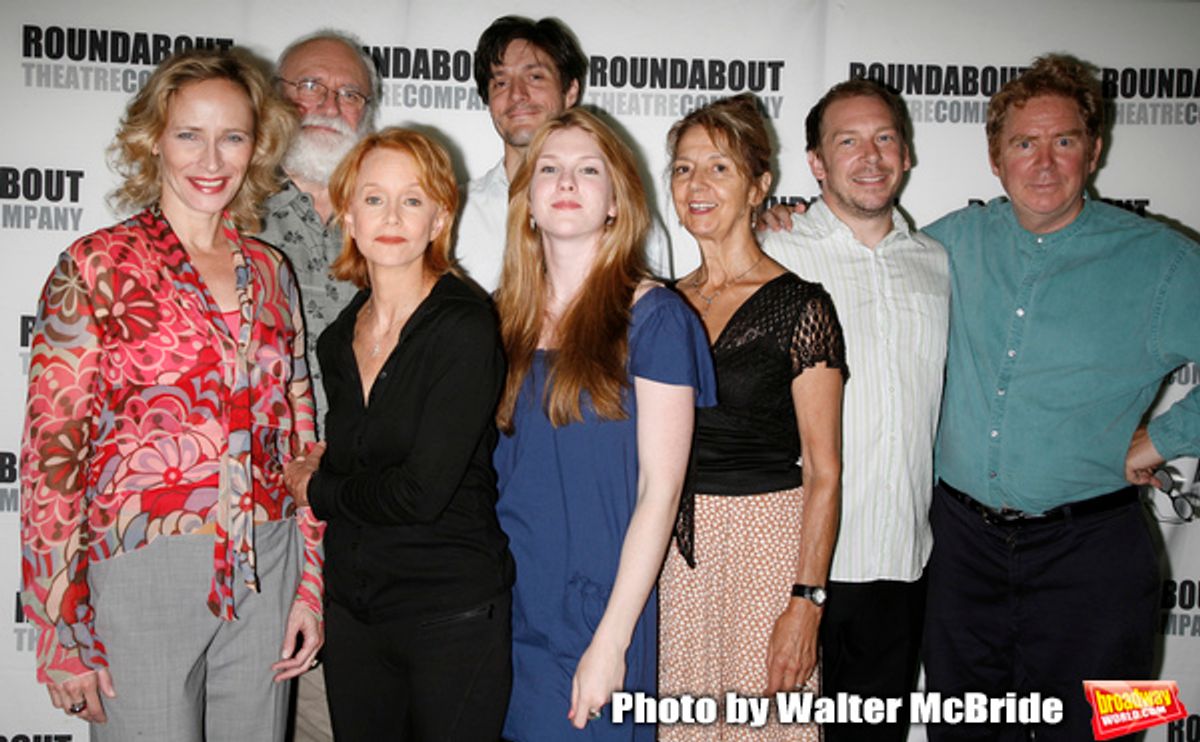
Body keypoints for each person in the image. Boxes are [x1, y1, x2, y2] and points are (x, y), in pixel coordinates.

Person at [19, 48, 322, 741]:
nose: (211, 158)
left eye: (233, 136)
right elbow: (52, 457)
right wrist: (59, 625)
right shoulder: (95, 267)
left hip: (266, 563)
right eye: (190, 133)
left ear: (258, 144)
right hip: (140, 572)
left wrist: (309, 584)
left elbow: (301, 440)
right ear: (154, 136)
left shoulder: (272, 273)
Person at [922, 54, 1200, 741]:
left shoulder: (1163, 261)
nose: (1044, 163)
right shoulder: (949, 242)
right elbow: (858, 271)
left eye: (1065, 141)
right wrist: (789, 223)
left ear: (1094, 150)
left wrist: (1161, 440)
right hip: (960, 556)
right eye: (1024, 143)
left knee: (1108, 735)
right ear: (995, 157)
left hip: (1096, 561)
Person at [282, 127, 514, 741]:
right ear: (349, 215)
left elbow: (419, 493)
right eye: (374, 198)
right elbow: (358, 461)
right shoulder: (336, 338)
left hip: (449, 614)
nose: (391, 216)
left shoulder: (463, 326)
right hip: (355, 614)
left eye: (412, 200)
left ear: (439, 217)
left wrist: (318, 489)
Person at [493, 108, 715, 741]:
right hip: (505, 608)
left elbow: (659, 492)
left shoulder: (656, 318)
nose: (567, 182)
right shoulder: (498, 319)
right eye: (551, 169)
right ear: (528, 201)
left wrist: (611, 640)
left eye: (588, 170)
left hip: (596, 610)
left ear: (616, 200)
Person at [762, 80, 948, 742]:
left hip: (901, 568)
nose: (871, 156)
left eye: (886, 137)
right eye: (848, 141)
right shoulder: (770, 254)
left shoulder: (939, 261)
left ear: (906, 152)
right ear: (815, 163)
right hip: (792, 570)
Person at [659, 93, 847, 742]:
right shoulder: (656, 305)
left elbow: (824, 470)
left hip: (766, 549)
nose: (697, 185)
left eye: (719, 167)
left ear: (759, 185)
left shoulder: (801, 306)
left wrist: (807, 603)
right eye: (683, 169)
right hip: (670, 553)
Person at [256, 31, 378, 739]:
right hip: (262, 521)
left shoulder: (394, 211)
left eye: (348, 92)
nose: (329, 104)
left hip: (367, 518)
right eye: (308, 87)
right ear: (274, 99)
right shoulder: (226, 205)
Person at [458, 15, 672, 290]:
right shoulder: (458, 215)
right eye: (500, 83)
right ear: (488, 100)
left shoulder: (626, 217)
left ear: (570, 91)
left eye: (535, 77)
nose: (517, 95)